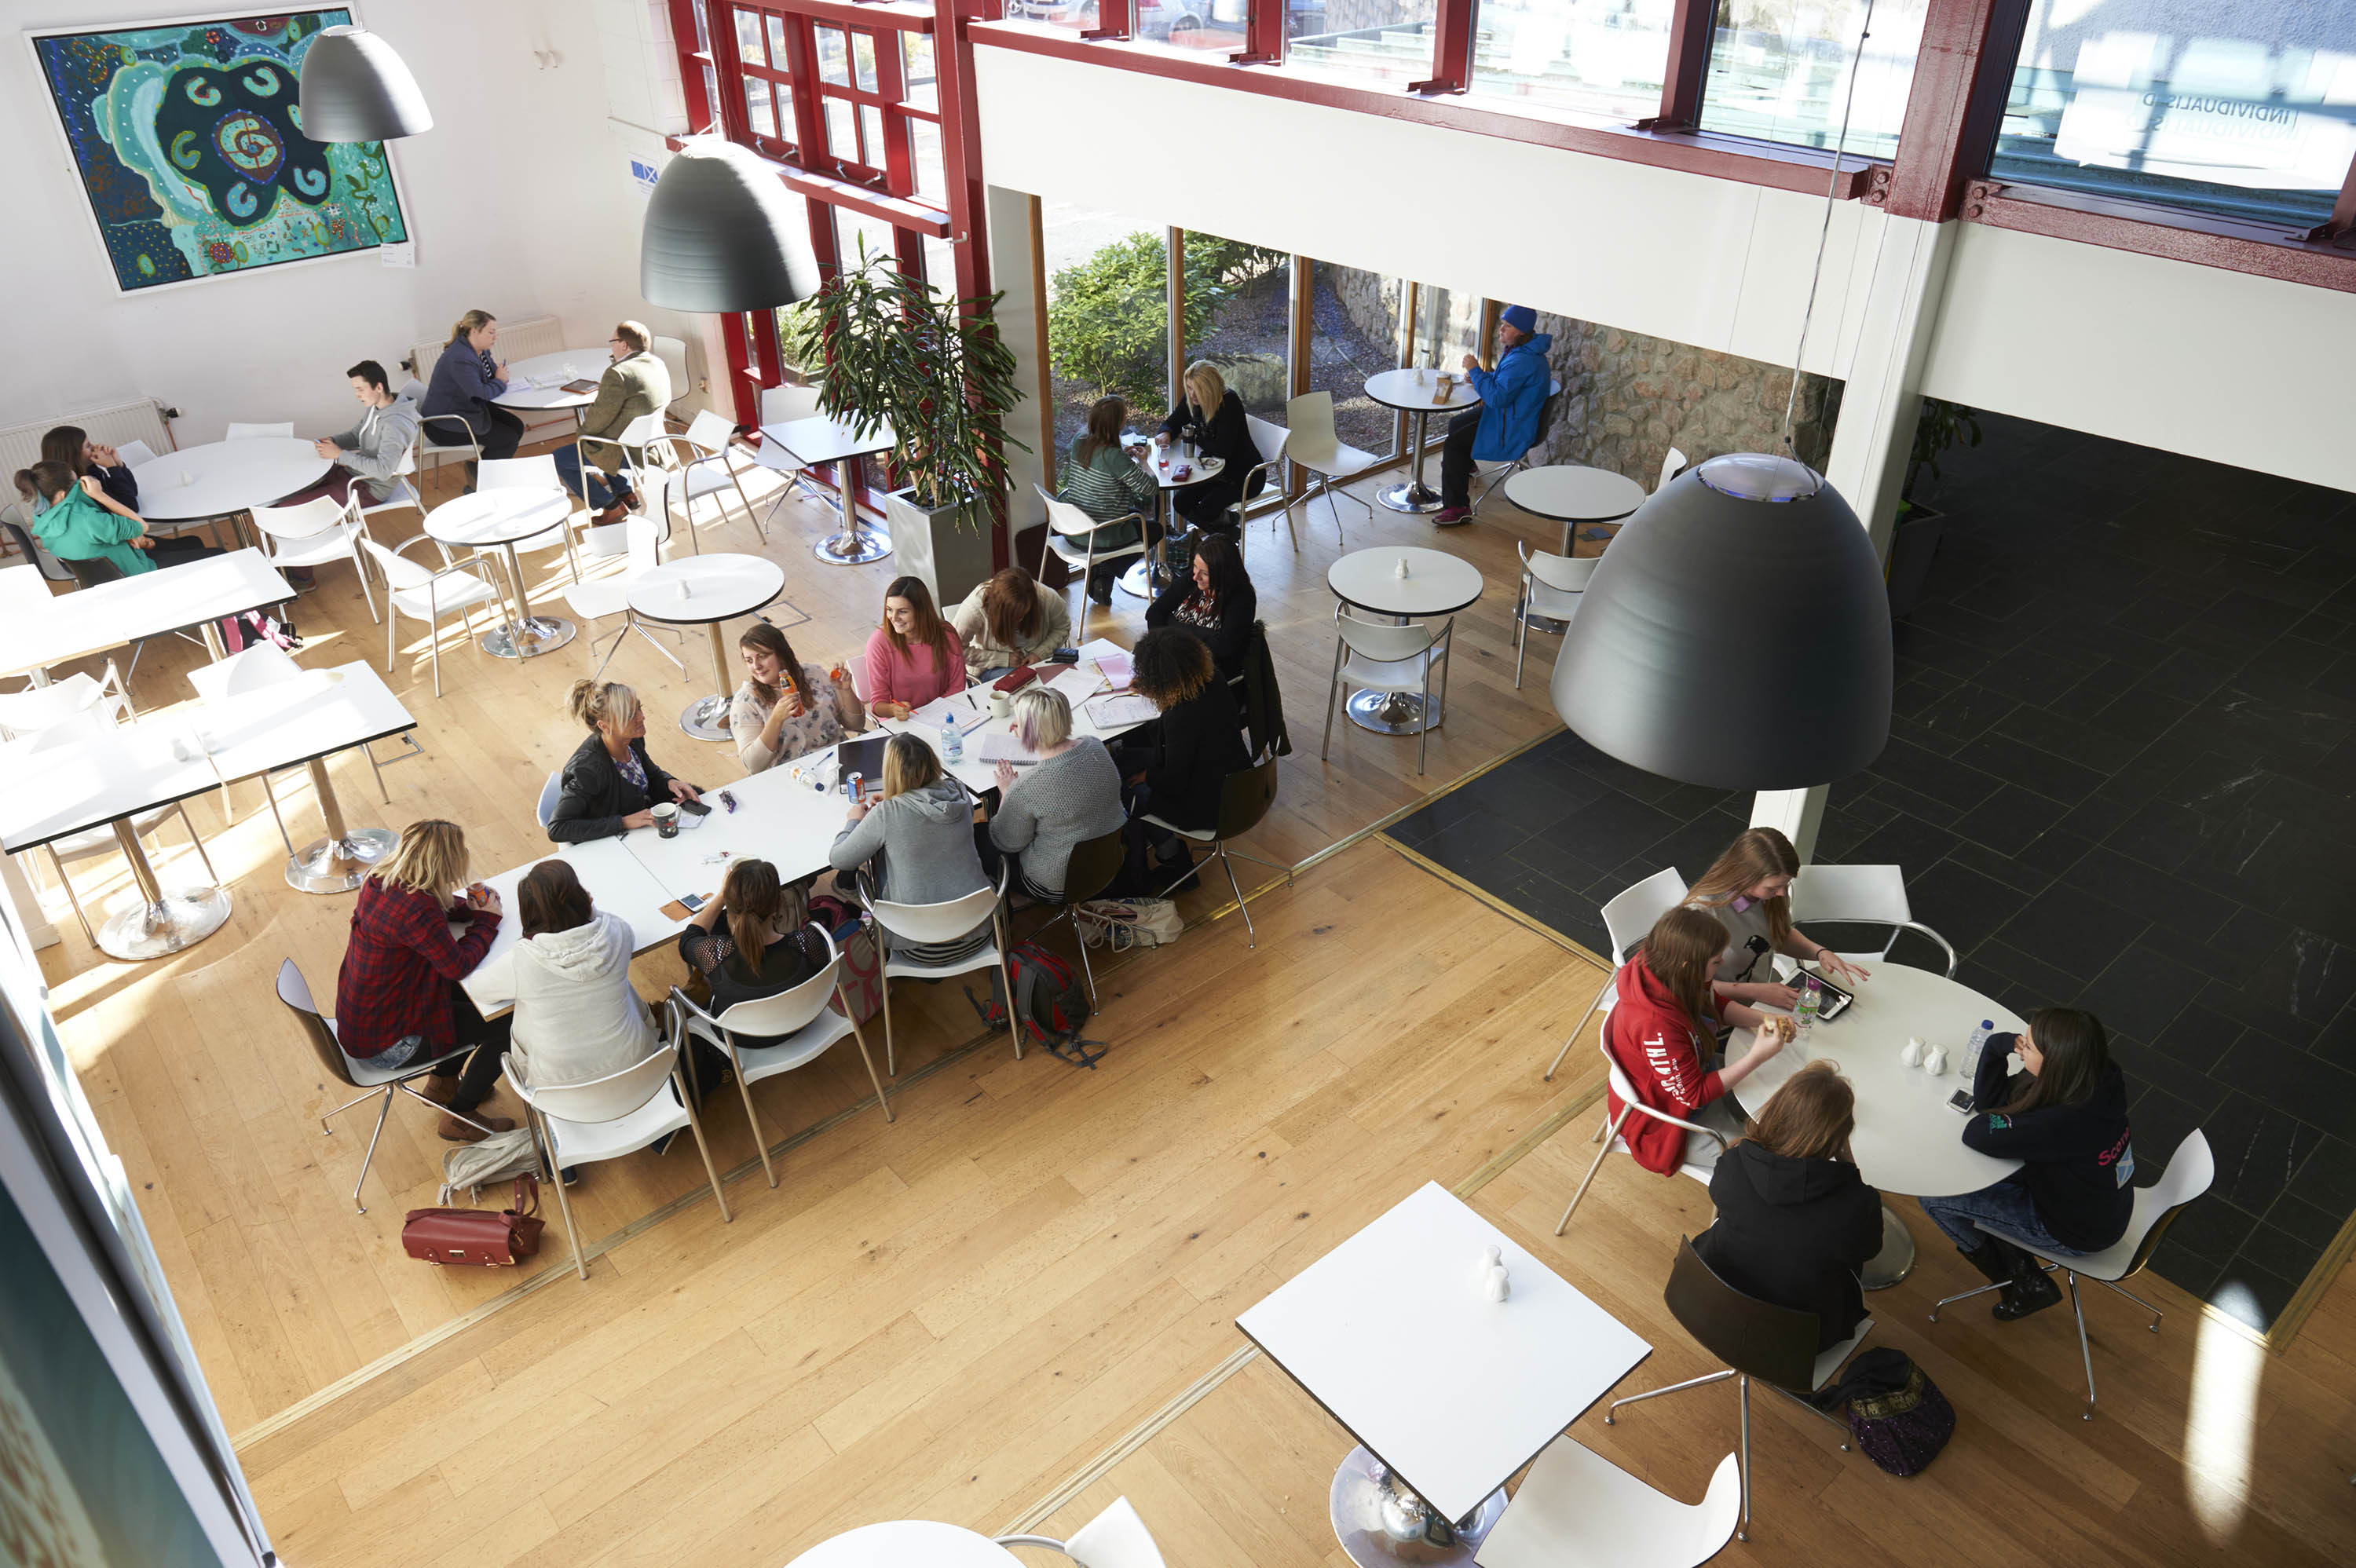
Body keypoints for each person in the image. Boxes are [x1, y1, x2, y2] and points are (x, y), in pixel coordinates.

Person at [1922, 1009, 2135, 1321]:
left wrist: (2004, 1110)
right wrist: (1998, 1045)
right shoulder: (2095, 1079)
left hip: (2075, 1229)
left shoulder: (2059, 1123)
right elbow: (1992, 1105)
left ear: (2056, 1062)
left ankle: (2022, 1283)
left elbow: (1979, 1129)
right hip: (2102, 1203)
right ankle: (2013, 1259)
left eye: (2029, 1046)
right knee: (1985, 1180)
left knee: (1934, 1198)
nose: (2021, 1048)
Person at [333, 820, 516, 1143]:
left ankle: (442, 1084)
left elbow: (429, 918)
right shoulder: (416, 910)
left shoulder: (379, 880)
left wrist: (466, 909)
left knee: (476, 1005)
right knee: (508, 1022)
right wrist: (487, 919)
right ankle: (460, 1116)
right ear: (445, 863)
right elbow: (457, 965)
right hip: (390, 1045)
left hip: (364, 1023)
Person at [1692, 1061, 1882, 1351]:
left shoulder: (1734, 1162)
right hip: (1796, 1342)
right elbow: (1868, 1250)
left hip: (1709, 1300)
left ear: (1777, 1111)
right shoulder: (1856, 1204)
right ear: (1839, 1137)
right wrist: (1849, 1167)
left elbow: (1720, 1199)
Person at [1602, 905, 1791, 1175]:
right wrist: (1757, 1056)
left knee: (1781, 1102)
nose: (1722, 963)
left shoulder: (1666, 968)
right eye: (1716, 961)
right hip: (1671, 1123)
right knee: (1763, 1166)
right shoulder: (1655, 1026)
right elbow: (1695, 1095)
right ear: (1687, 965)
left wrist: (1763, 1019)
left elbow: (1712, 1003)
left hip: (1695, 1074)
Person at [829, 733, 992, 963]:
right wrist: (898, 796)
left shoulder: (887, 814)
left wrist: (854, 820)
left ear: (890, 773)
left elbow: (839, 859)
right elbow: (923, 805)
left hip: (919, 947)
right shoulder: (958, 792)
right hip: (979, 931)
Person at [1682, 828, 1871, 1019]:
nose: (1782, 893)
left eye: (1786, 885)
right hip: (1717, 1013)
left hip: (1761, 999)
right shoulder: (1702, 911)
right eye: (1774, 887)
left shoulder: (1770, 897)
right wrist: (1756, 992)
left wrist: (1819, 952)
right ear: (1745, 876)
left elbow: (1779, 935)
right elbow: (1689, 983)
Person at [1114, 627, 1249, 886]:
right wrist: (1154, 690)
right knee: (1122, 761)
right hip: (1236, 783)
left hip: (1208, 804)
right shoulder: (1212, 679)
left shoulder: (1181, 716)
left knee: (1127, 785)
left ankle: (1172, 861)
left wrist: (1148, 776)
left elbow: (1173, 782)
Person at [507, 860, 657, 1092]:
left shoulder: (523, 958)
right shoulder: (616, 932)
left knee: (524, 1002)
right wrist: (586, 911)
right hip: (640, 1069)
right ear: (582, 897)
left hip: (560, 1091)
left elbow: (478, 989)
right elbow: (613, 924)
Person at [676, 859, 831, 1056]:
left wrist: (722, 895)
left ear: (729, 908)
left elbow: (689, 938)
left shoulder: (714, 953)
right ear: (779, 903)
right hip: (801, 1021)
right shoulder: (807, 942)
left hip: (739, 1038)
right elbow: (820, 971)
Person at [989, 688, 1126, 902]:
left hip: (1056, 884)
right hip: (1109, 864)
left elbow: (1006, 842)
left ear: (1030, 731)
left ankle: (1004, 915)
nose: (1013, 725)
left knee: (982, 840)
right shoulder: (1095, 745)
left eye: (1019, 721)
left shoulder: (1027, 786)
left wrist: (1007, 793)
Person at [1433, 304, 1553, 527]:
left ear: (1522, 332)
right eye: (1502, 325)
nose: (1501, 330)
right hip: (1512, 417)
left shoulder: (1522, 360)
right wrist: (1482, 378)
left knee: (1453, 444)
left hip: (1511, 428)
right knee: (1457, 423)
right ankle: (1465, 466)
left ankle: (1457, 507)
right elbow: (1507, 386)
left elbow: (1497, 398)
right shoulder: (1525, 352)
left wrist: (1476, 371)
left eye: (1507, 326)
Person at [548, 679, 701, 842]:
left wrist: (669, 781)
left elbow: (651, 773)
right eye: (630, 715)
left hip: (639, 823)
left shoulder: (632, 740)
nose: (642, 717)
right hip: (612, 841)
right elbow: (558, 828)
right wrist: (623, 822)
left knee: (695, 797)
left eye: (639, 708)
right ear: (604, 726)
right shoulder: (587, 770)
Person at [554, 321, 671, 526]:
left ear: (624, 345)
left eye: (613, 342)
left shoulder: (618, 374)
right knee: (608, 437)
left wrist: (581, 435)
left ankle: (610, 505)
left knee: (560, 458)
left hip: (629, 452)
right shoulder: (656, 363)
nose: (612, 346)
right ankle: (626, 494)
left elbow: (600, 416)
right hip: (654, 445)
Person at [276, 360, 425, 519]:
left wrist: (339, 455)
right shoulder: (378, 408)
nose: (357, 395)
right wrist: (331, 442)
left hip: (368, 487)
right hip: (353, 474)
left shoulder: (395, 424)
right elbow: (356, 435)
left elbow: (383, 471)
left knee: (287, 507)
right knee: (290, 489)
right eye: (355, 390)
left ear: (379, 387)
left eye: (360, 389)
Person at [14, 461, 219, 576]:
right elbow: (141, 525)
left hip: (105, 579)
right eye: (78, 483)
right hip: (136, 574)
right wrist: (99, 494)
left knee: (194, 542)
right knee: (219, 554)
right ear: (61, 494)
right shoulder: (86, 519)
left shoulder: (42, 516)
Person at [730, 622, 865, 774]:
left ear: (781, 654)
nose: (756, 666)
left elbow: (856, 724)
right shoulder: (746, 701)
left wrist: (846, 691)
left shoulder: (814, 674)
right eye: (749, 660)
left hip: (838, 762)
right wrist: (776, 719)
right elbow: (753, 765)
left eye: (762, 657)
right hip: (791, 775)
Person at [1060, 396, 1157, 605]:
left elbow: (1102, 462)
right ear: (1120, 422)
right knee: (1156, 529)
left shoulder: (1080, 440)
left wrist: (1122, 455)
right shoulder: (1114, 457)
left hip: (1073, 528)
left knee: (1136, 514)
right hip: (1098, 534)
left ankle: (1102, 573)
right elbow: (1150, 488)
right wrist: (1144, 463)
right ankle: (1104, 569)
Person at [1154, 361, 1266, 535]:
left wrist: (1193, 437)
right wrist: (1166, 433)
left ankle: (1223, 538)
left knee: (1207, 509)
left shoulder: (1229, 402)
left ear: (1210, 388)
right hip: (1213, 473)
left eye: (1196, 389)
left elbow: (1222, 450)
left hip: (1245, 475)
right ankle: (1229, 534)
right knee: (1180, 502)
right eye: (1189, 388)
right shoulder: (1193, 401)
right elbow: (1172, 422)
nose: (1191, 394)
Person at [420, 308, 522, 475]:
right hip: (443, 424)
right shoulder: (461, 358)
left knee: (517, 427)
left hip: (466, 409)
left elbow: (489, 378)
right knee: (508, 439)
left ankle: (479, 471)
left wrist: (497, 378)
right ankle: (483, 481)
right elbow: (481, 393)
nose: (495, 337)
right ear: (475, 331)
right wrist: (500, 381)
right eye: (491, 332)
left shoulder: (479, 350)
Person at [1145, 533, 1257, 682]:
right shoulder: (1193, 578)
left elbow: (1222, 648)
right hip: (1170, 660)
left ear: (1223, 574)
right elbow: (1154, 613)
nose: (1195, 577)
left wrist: (1172, 626)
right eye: (1195, 567)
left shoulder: (1242, 598)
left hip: (1208, 675)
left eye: (1204, 573)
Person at [862, 576, 967, 718]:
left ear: (921, 611)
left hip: (943, 715)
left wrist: (932, 715)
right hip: (899, 723)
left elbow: (957, 687)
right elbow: (878, 704)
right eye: (889, 610)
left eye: (902, 611)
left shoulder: (946, 635)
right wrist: (893, 709)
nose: (894, 617)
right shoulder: (878, 643)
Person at [949, 566, 1070, 681]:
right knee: (1025, 681)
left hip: (1037, 662)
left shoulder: (1047, 598)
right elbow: (955, 649)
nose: (1020, 620)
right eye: (1014, 616)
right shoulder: (975, 607)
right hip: (990, 667)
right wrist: (1003, 659)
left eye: (1024, 613)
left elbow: (1062, 627)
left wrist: (1040, 653)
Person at [26, 426, 138, 514]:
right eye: (88, 446)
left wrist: (117, 464)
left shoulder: (88, 471)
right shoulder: (82, 488)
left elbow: (132, 492)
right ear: (74, 455)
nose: (94, 447)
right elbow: (131, 507)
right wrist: (112, 468)